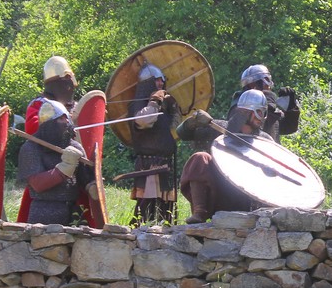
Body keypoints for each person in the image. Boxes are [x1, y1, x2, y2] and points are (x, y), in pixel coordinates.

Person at [18, 56, 94, 225]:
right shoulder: (40, 105)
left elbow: (88, 133)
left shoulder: (75, 106)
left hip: (75, 174)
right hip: (47, 169)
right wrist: (65, 121)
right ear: (62, 82)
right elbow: (34, 130)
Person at [179, 89, 273, 222]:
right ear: (244, 112)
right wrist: (193, 121)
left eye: (263, 113)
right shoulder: (218, 128)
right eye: (258, 112)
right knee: (200, 157)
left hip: (248, 199)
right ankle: (200, 212)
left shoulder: (265, 140)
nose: (261, 118)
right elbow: (182, 133)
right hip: (220, 193)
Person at [128, 63, 181, 225]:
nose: (161, 83)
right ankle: (137, 234)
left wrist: (173, 107)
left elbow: (174, 128)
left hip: (165, 163)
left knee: (166, 210)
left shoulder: (161, 106)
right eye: (157, 80)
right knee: (146, 209)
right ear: (147, 83)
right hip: (149, 164)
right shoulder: (138, 104)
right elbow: (143, 121)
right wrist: (154, 101)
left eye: (162, 80)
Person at [229, 64, 300, 143]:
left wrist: (291, 107)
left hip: (267, 149)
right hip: (246, 149)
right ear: (253, 85)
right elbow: (256, 126)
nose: (269, 87)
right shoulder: (241, 107)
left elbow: (289, 127)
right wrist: (268, 99)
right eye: (266, 83)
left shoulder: (269, 107)